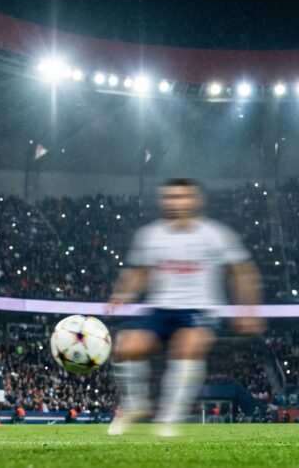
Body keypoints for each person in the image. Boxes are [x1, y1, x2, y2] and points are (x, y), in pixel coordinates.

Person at [108, 178, 264, 437]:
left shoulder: (215, 234)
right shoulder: (151, 235)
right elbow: (140, 272)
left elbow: (242, 271)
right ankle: (134, 405)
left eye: (182, 197)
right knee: (126, 345)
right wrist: (123, 293)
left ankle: (169, 418)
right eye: (171, 197)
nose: (176, 202)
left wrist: (248, 309)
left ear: (197, 200)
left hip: (199, 309)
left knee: (187, 345)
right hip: (160, 308)